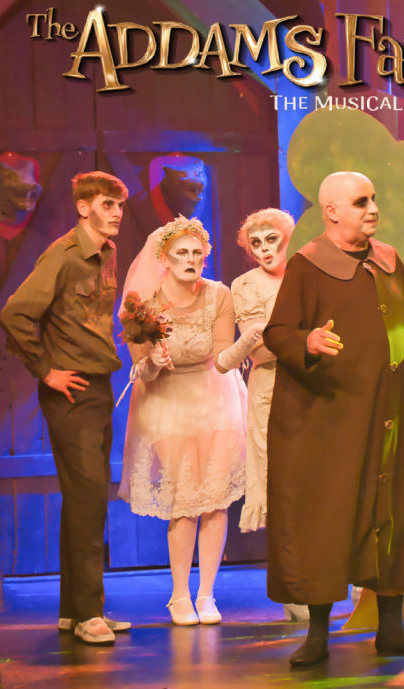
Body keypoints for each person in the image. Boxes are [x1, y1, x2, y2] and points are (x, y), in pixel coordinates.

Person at [263, 171, 404, 666]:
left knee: (391, 512)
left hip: (387, 412)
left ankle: (392, 627)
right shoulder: (308, 265)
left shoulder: (387, 259)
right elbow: (278, 332)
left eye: (373, 199)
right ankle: (318, 633)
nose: (372, 208)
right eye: (360, 201)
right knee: (329, 518)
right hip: (331, 418)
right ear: (331, 212)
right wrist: (307, 341)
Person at [0, 171, 130, 645]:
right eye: (107, 204)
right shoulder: (64, 254)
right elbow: (14, 314)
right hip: (71, 391)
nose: (117, 213)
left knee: (84, 499)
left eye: (120, 205)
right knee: (88, 497)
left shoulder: (107, 253)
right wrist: (46, 370)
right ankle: (88, 613)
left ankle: (74, 611)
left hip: (98, 386)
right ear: (83, 207)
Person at [118, 216, 249, 626]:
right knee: (185, 499)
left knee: (215, 499)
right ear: (165, 259)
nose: (190, 259)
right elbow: (141, 370)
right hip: (166, 401)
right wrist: (153, 362)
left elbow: (223, 356)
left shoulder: (219, 295)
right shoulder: (143, 303)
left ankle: (207, 593)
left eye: (197, 253)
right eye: (182, 253)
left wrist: (248, 343)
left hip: (214, 395)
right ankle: (179, 595)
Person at [218, 208, 308, 622]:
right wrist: (309, 340)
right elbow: (261, 351)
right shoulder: (246, 286)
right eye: (255, 243)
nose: (264, 250)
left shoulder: (308, 274)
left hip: (316, 389)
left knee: (320, 486)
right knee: (282, 490)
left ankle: (329, 580)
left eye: (271, 239)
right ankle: (293, 586)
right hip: (272, 391)